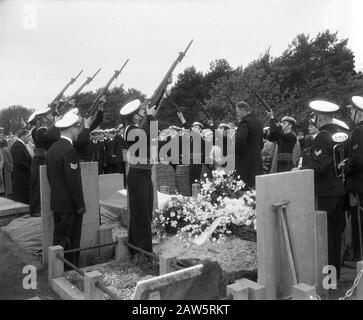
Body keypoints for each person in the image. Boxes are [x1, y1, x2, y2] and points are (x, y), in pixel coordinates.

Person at [301, 100, 346, 279]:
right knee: (336, 235)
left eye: (316, 116)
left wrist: (301, 170)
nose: (315, 120)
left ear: (321, 117)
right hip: (339, 191)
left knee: (326, 237)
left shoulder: (321, 137)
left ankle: (328, 280)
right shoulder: (339, 135)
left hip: (326, 193)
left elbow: (319, 166)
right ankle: (335, 277)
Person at [47, 110, 86, 267]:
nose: (78, 131)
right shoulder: (69, 150)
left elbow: (51, 178)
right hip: (70, 206)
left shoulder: (52, 149)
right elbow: (74, 182)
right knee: (71, 242)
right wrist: (80, 205)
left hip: (57, 202)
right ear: (71, 129)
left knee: (59, 240)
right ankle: (70, 272)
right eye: (77, 128)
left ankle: (57, 270)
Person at [120, 99, 157, 255]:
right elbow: (148, 134)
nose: (143, 112)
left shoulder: (136, 128)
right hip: (138, 175)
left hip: (144, 174)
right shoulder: (131, 130)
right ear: (135, 116)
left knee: (143, 214)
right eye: (141, 111)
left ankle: (136, 250)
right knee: (141, 217)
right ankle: (143, 254)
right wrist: (151, 118)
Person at [344, 96, 363, 263]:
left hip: (359, 185)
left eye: (352, 111)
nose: (350, 114)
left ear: (359, 113)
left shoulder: (358, 131)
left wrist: (345, 166)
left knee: (359, 224)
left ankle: (359, 258)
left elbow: (357, 159)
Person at [234, 101, 263, 188]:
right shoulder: (259, 122)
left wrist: (235, 151)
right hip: (257, 160)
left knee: (243, 187)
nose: (237, 114)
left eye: (237, 112)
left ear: (242, 110)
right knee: (255, 187)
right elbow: (260, 142)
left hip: (244, 161)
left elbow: (240, 139)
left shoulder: (244, 122)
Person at [10, 129, 32, 204]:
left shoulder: (21, 145)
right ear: (23, 136)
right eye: (28, 136)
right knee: (21, 198)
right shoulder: (17, 146)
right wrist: (31, 167)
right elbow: (19, 162)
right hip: (20, 177)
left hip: (24, 175)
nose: (29, 138)